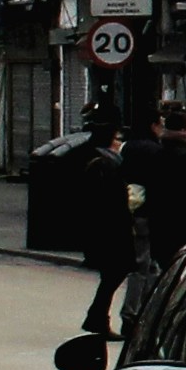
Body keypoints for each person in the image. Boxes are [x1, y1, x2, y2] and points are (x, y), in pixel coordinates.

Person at [73, 120, 143, 346]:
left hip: (107, 228)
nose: (119, 143)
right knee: (116, 272)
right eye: (116, 139)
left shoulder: (105, 162)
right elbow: (107, 201)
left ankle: (97, 317)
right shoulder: (104, 164)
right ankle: (97, 317)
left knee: (112, 275)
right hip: (110, 229)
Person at [136, 112, 186, 260]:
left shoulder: (158, 152)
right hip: (179, 218)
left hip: (159, 219)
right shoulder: (185, 155)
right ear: (182, 130)